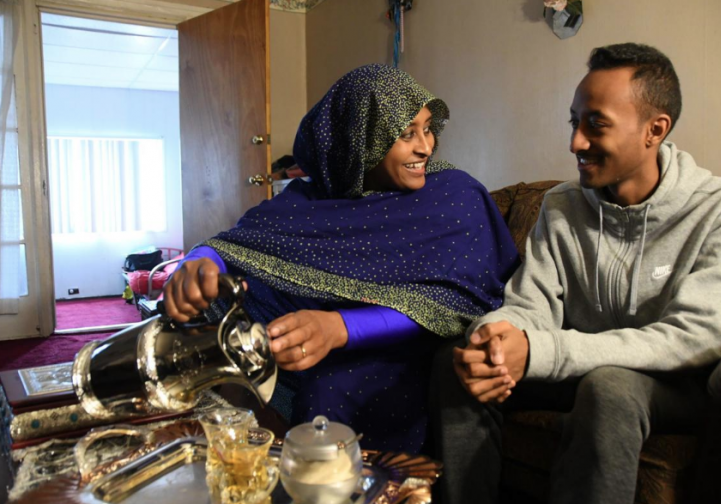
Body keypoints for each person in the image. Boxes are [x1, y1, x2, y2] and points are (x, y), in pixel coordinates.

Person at [432, 43, 721, 503]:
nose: (575, 142)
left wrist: (542, 352)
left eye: (596, 125)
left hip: (672, 386)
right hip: (575, 370)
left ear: (655, 129)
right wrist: (494, 337)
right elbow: (531, 305)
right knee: (460, 358)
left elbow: (697, 336)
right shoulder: (562, 205)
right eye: (574, 122)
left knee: (609, 387)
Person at [164, 63, 520, 452]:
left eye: (428, 128)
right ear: (360, 140)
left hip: (408, 352)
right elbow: (232, 246)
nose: (426, 146)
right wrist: (196, 264)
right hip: (303, 343)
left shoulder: (454, 195)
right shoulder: (307, 198)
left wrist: (338, 327)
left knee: (328, 393)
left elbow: (459, 299)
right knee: (191, 337)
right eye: (406, 134)